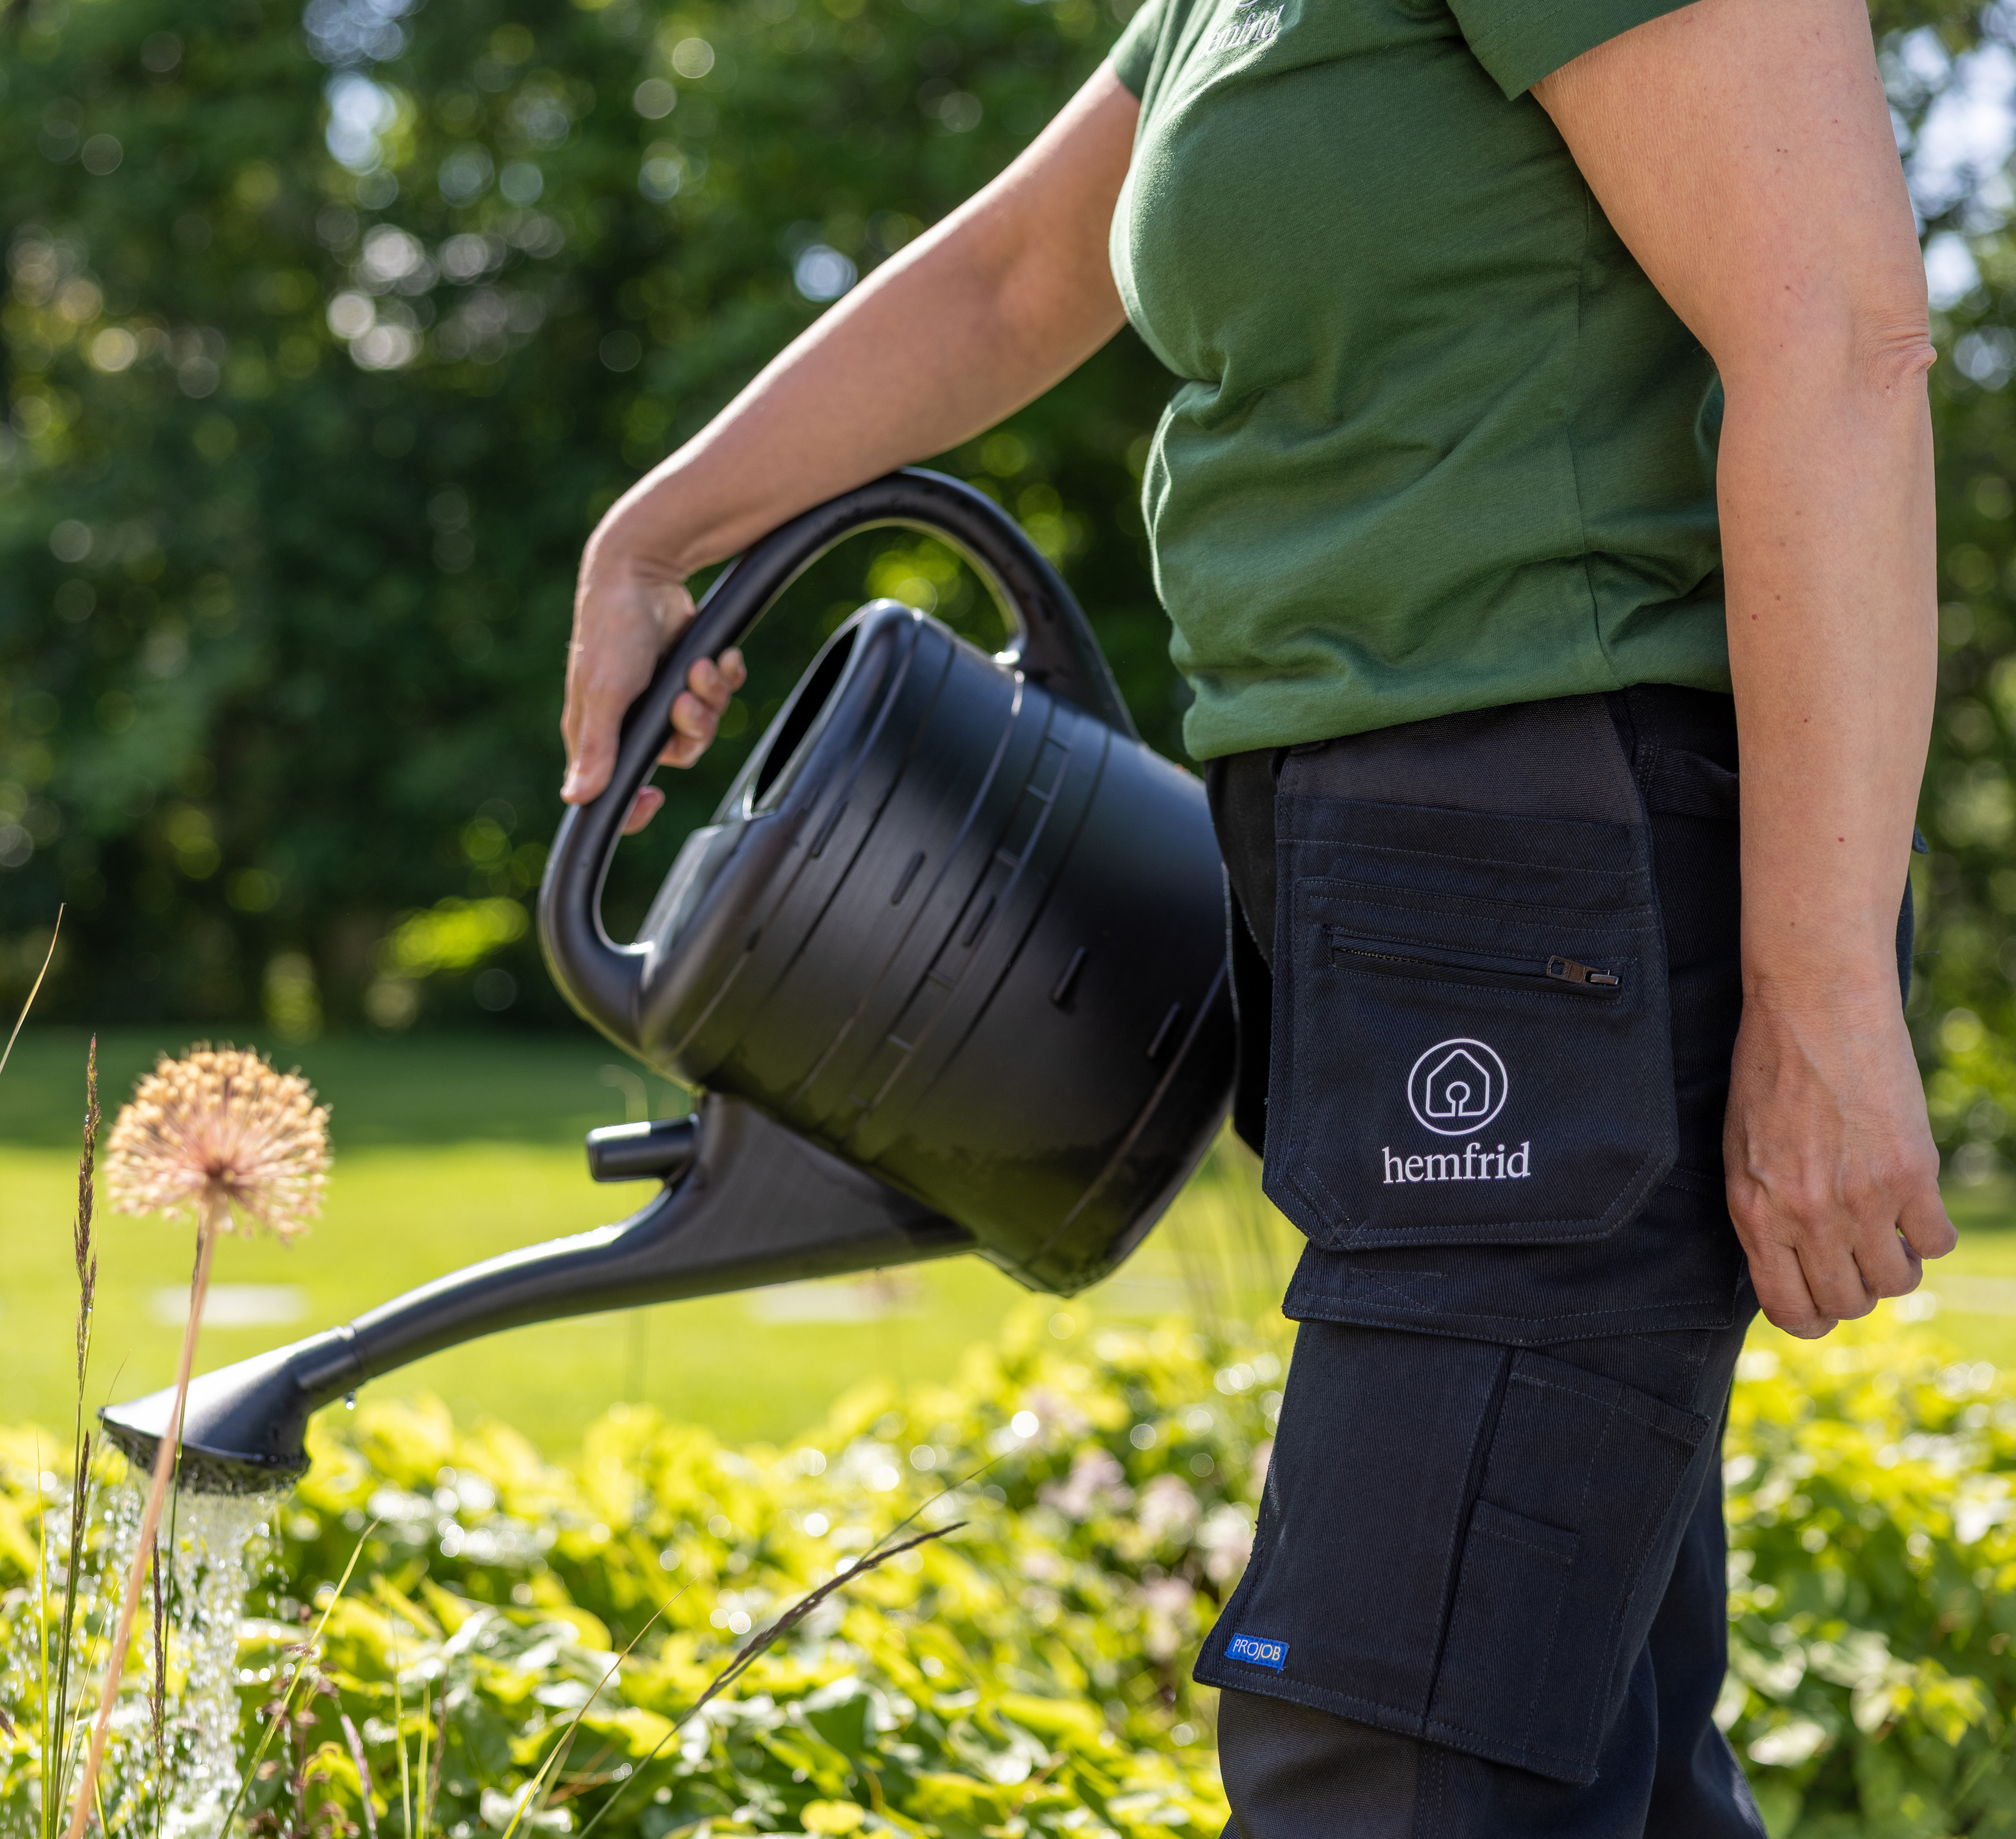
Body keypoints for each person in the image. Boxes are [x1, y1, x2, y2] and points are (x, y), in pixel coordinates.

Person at [555, 0, 1959, 1830]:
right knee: (1590, 1757)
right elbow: (1018, 274)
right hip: (1386, 895)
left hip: (1551, 896)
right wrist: (652, 535)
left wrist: (1831, 991)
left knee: (1377, 1761)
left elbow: (1839, 341)